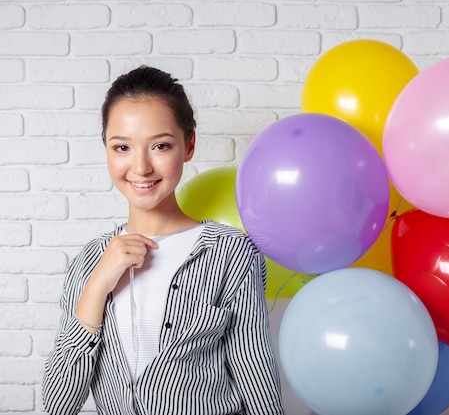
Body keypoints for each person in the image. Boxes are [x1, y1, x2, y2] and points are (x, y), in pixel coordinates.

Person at [42, 65, 285, 415]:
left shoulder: (230, 253)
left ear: (189, 146)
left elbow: (255, 374)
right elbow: (58, 404)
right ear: (106, 149)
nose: (140, 167)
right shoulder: (90, 261)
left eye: (160, 145)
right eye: (122, 147)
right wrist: (97, 287)